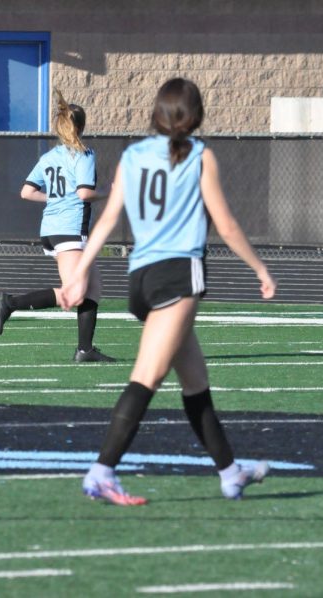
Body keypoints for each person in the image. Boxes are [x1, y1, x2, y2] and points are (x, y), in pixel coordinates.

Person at [60, 78, 277, 506]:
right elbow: (227, 225)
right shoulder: (200, 155)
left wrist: (79, 273)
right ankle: (102, 471)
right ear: (195, 116)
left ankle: (230, 472)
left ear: (156, 114)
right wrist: (261, 269)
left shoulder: (133, 154)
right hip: (177, 279)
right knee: (147, 378)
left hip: (141, 280)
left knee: (195, 382)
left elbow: (105, 222)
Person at [0, 90, 114, 363]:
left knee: (93, 287)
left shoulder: (50, 156)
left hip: (53, 228)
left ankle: (85, 350)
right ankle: (10, 303)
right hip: (69, 229)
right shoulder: (83, 154)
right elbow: (84, 194)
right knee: (75, 293)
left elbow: (26, 191)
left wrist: (55, 198)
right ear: (81, 127)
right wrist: (111, 190)